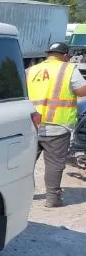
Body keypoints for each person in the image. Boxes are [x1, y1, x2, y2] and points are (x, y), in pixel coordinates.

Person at [26, 42, 86, 207]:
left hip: (31, 124)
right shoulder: (68, 69)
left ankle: (22, 196)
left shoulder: (31, 70)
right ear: (66, 55)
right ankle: (52, 199)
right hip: (57, 125)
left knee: (26, 162)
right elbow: (82, 90)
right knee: (54, 163)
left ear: (48, 54)